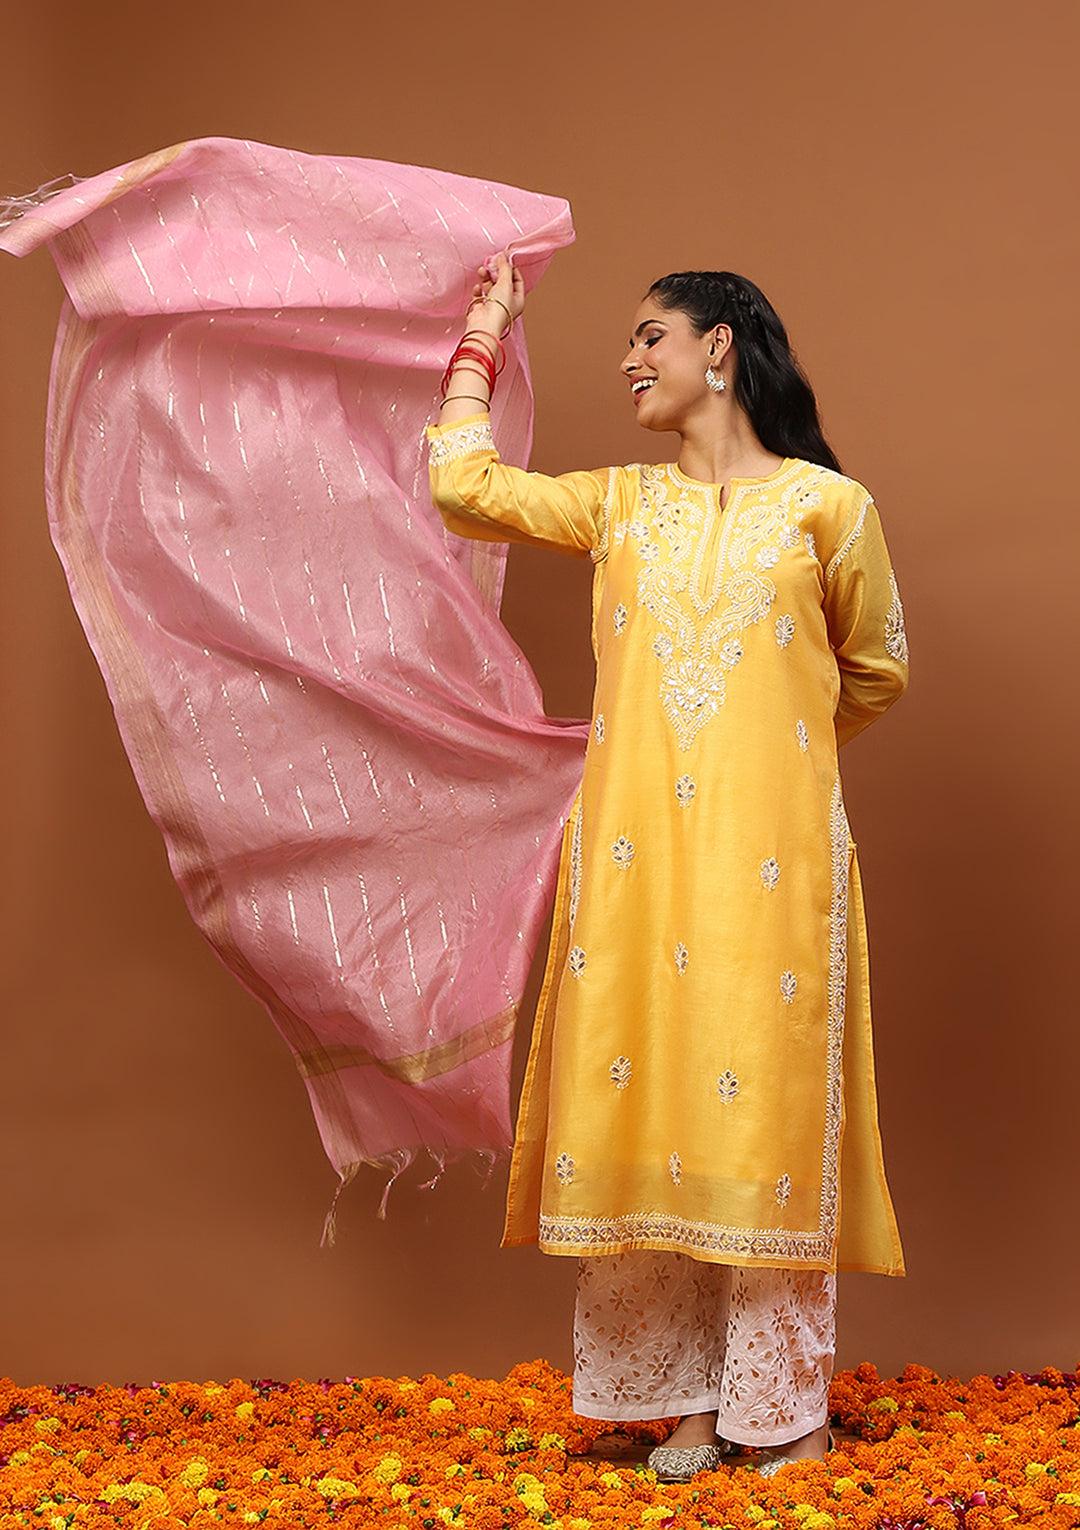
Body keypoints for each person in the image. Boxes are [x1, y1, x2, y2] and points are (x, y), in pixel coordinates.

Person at [427, 255, 908, 1480]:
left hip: (771, 859)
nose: (630, 360)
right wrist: (484, 330)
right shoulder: (620, 506)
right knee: (649, 1103)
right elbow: (461, 486)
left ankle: (781, 1407)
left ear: (720, 347)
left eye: (652, 336)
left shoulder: (828, 509)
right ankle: (685, 1401)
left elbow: (875, 668)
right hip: (638, 857)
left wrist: (770, 758)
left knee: (760, 1117)